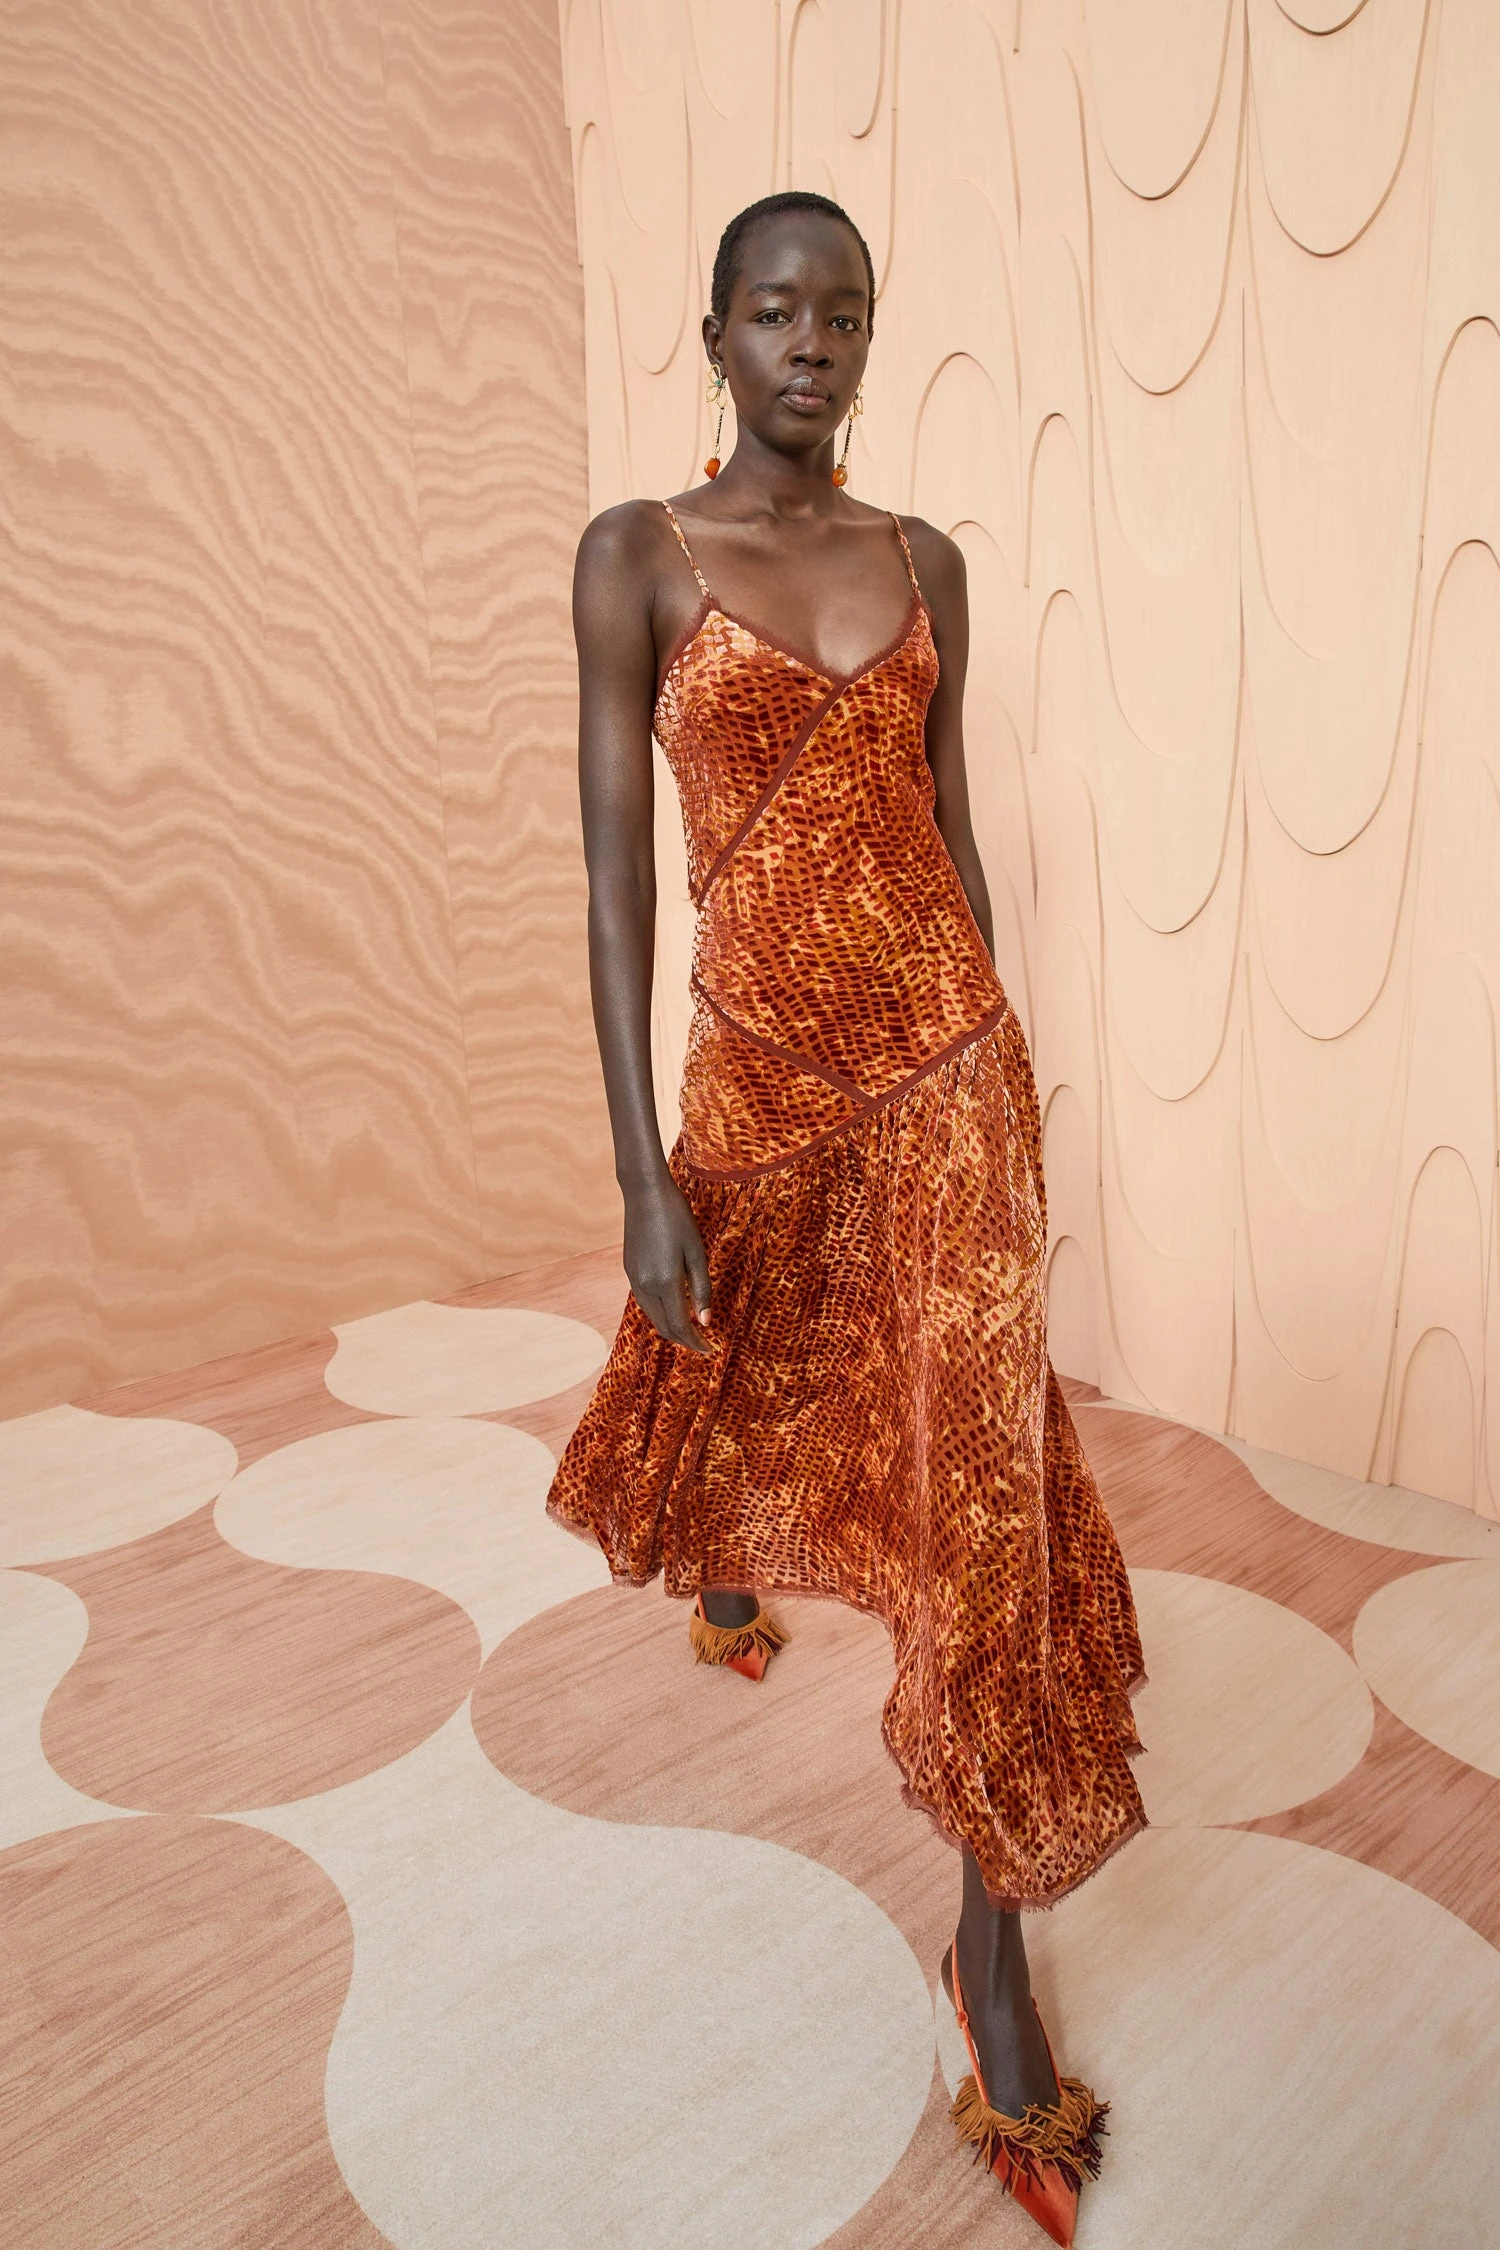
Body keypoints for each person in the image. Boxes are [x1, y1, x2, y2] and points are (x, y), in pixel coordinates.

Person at [548, 188, 1145, 2246]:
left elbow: (951, 839)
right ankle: (729, 1565)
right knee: (741, 1356)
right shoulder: (635, 554)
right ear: (715, 331)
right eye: (779, 312)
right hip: (755, 1073)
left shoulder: (925, 563)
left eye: (848, 316)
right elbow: (618, 884)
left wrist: (1006, 1087)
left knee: (976, 1490)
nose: (815, 344)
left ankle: (989, 1945)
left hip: (947, 1076)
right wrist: (638, 1171)